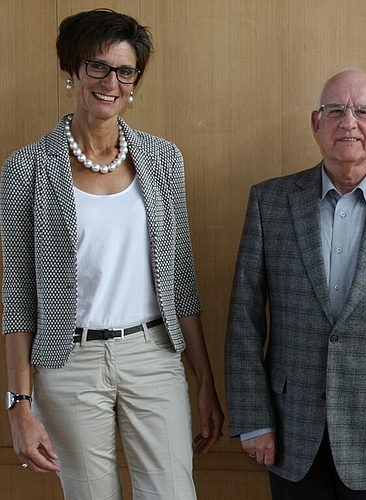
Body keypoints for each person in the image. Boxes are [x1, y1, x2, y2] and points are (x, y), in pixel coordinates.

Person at [1, 9, 224, 499]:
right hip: (69, 363)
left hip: (154, 356)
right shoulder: (26, 168)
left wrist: (204, 381)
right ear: (72, 71)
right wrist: (19, 405)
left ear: (135, 80)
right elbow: (17, 298)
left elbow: (181, 279)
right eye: (97, 66)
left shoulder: (163, 160)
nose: (111, 82)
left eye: (125, 71)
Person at [225, 69, 366, 499]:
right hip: (290, 435)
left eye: (364, 111)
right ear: (316, 123)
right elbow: (244, 320)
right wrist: (254, 419)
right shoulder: (270, 201)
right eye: (335, 110)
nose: (348, 122)